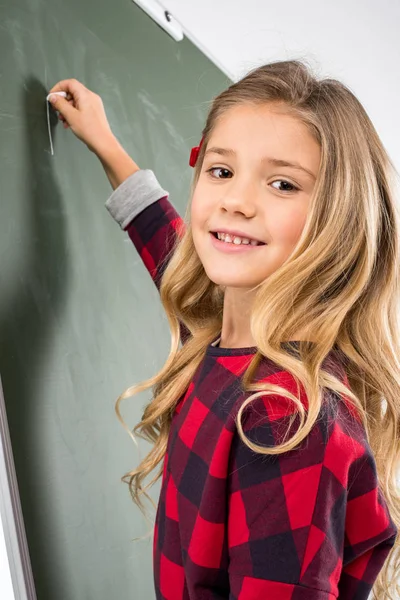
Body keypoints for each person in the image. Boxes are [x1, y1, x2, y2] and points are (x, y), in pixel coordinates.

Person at [48, 59, 400, 599]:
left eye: (282, 184)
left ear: (339, 217)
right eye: (221, 171)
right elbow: (168, 245)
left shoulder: (283, 423)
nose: (236, 200)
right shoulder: (228, 337)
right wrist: (106, 144)